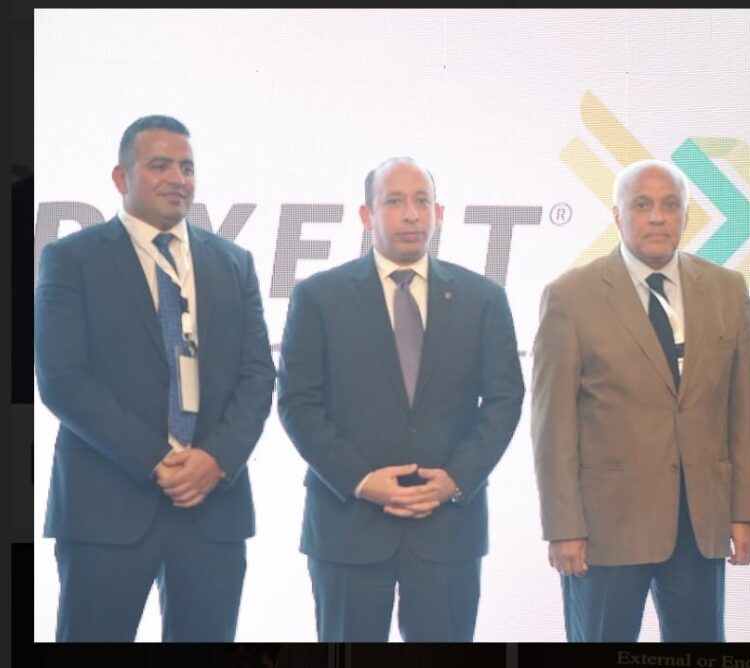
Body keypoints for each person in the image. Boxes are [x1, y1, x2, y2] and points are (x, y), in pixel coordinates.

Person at [35, 114, 276, 641]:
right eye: (160, 165)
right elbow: (62, 379)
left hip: (214, 507)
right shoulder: (70, 258)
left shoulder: (234, 263)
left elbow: (259, 376)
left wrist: (215, 460)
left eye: (187, 167)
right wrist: (156, 460)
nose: (177, 179)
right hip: (106, 506)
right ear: (120, 177)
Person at [277, 156, 524, 641]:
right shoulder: (319, 297)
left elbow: (504, 400)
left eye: (422, 201)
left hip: (448, 528)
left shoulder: (483, 299)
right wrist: (361, 481)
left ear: (439, 213)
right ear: (366, 215)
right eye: (394, 201)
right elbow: (297, 403)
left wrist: (455, 480)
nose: (411, 214)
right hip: (348, 526)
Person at [531, 159, 750, 642]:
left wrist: (743, 512)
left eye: (670, 205)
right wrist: (563, 527)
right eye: (642, 205)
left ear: (686, 215)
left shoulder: (727, 289)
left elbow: (743, 412)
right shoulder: (571, 296)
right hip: (605, 532)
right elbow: (552, 428)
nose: (657, 217)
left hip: (700, 527)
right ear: (617, 215)